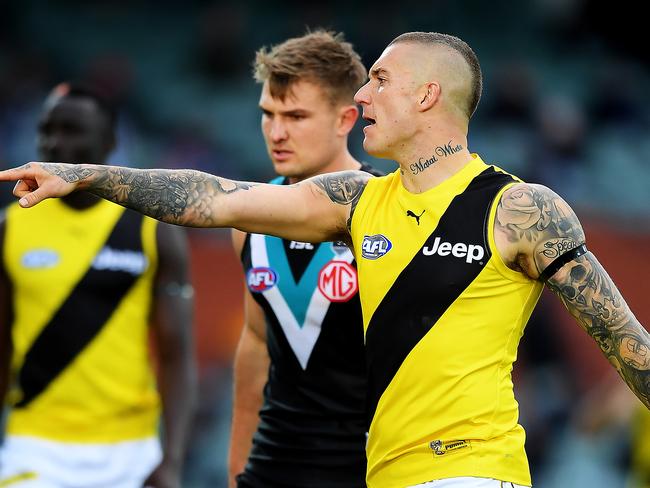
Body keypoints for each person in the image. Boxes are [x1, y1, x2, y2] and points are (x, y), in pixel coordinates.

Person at [1, 32, 648, 488]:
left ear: (427, 96)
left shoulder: (521, 208)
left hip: (473, 472)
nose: (362, 96)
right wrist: (84, 174)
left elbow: (630, 350)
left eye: (381, 80)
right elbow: (215, 198)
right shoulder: (356, 199)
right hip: (382, 473)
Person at [0, 83, 197, 488]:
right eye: (47, 130)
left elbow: (177, 355)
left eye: (72, 130)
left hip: (132, 452)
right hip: (34, 445)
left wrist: (172, 460)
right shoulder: (9, 227)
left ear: (109, 142)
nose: (55, 143)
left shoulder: (151, 229)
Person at [228, 31, 381, 488]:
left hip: (369, 468)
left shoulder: (386, 213)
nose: (276, 133)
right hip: (273, 464)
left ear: (345, 119)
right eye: (268, 115)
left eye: (295, 116)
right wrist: (237, 470)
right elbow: (256, 345)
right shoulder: (248, 218)